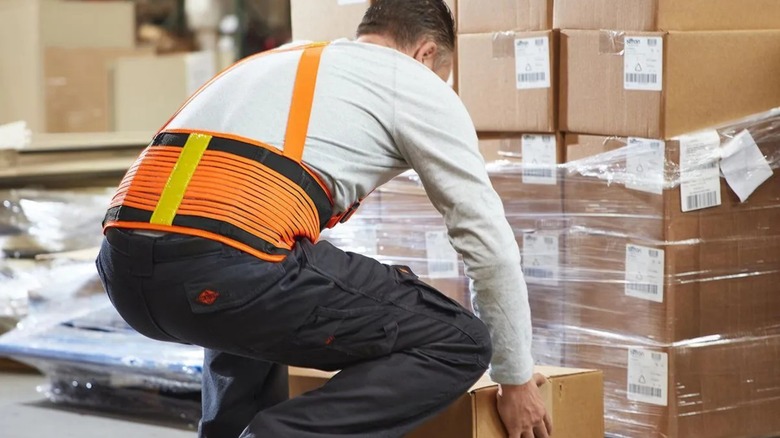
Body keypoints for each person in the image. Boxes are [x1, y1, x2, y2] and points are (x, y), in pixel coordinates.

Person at [96, 1, 552, 437]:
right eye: (441, 75)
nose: (438, 84)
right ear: (426, 53)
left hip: (125, 275)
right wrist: (514, 378)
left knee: (255, 287)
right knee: (460, 341)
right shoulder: (411, 80)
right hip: (227, 268)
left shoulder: (279, 61)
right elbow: (488, 245)